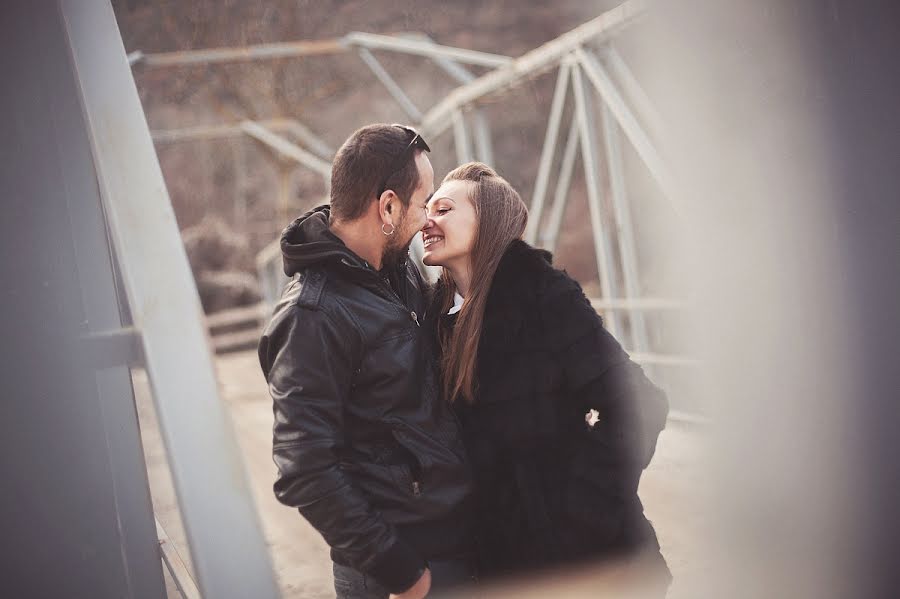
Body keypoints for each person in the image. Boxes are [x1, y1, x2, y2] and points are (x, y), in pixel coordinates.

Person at [421, 162, 672, 591]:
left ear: (489, 221)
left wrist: (582, 511)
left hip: (597, 562)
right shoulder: (438, 320)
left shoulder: (543, 297)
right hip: (510, 569)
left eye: (443, 209)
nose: (427, 220)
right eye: (426, 209)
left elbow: (640, 403)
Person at [258, 125, 475, 599]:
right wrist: (404, 573)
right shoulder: (310, 317)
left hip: (449, 540)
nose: (426, 220)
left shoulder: (400, 273)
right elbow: (305, 467)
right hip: (395, 572)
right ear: (389, 207)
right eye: (423, 205)